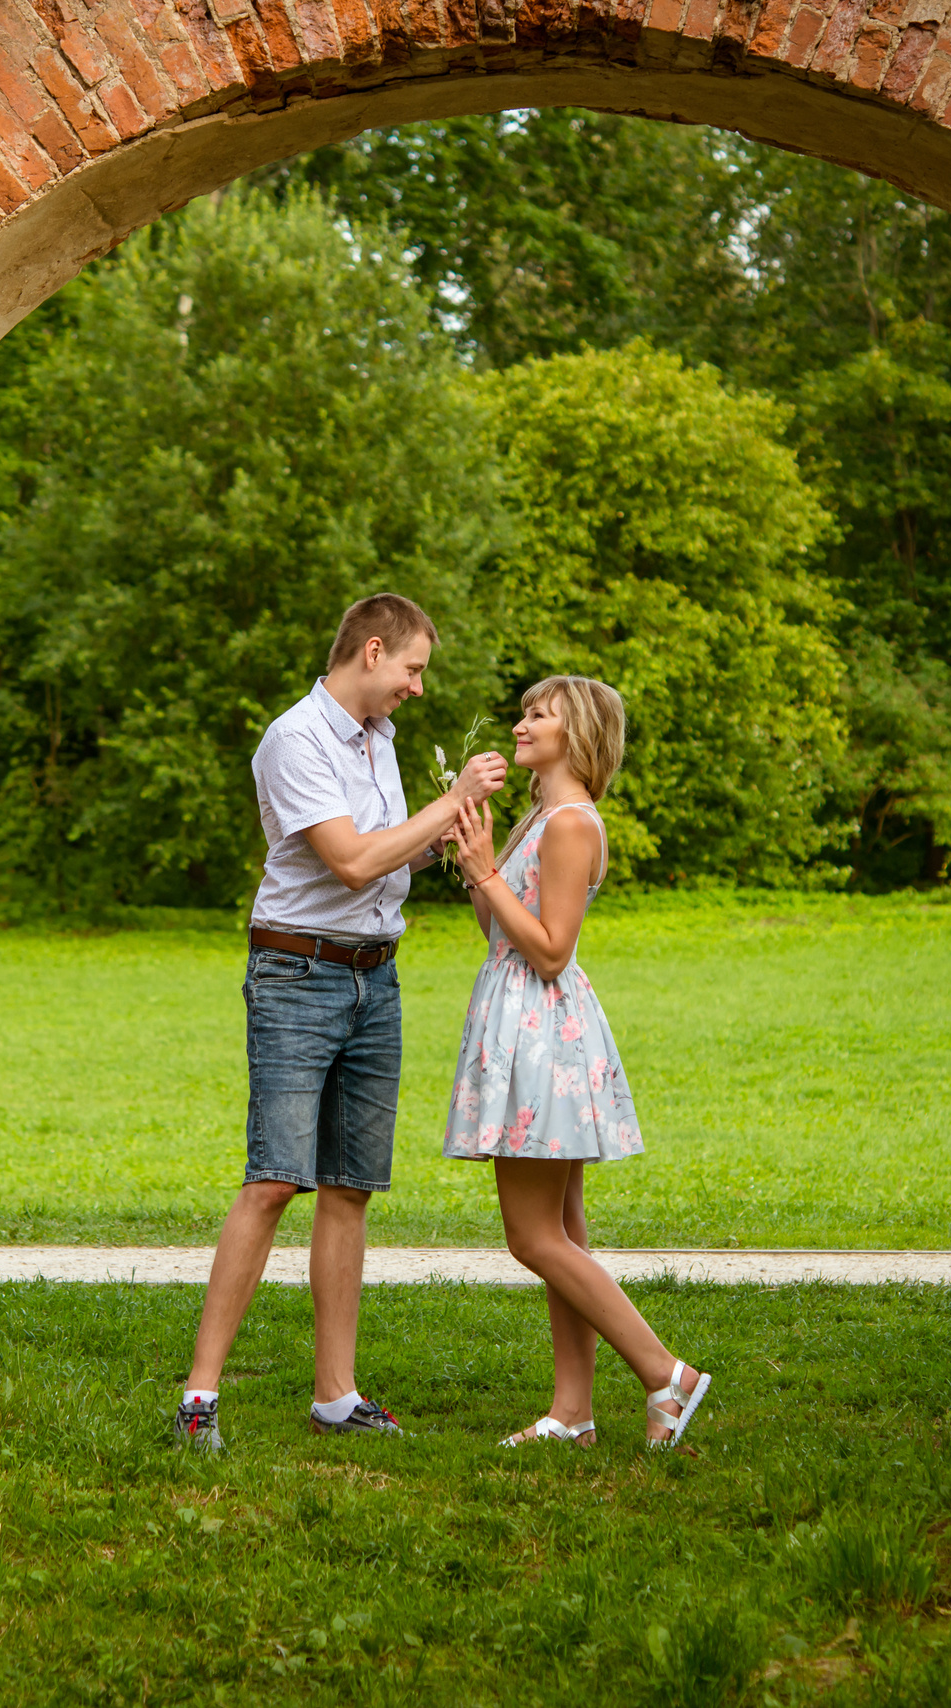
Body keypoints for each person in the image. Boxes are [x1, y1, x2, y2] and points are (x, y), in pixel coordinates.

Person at [175, 593, 508, 1450]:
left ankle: (336, 1397)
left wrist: (457, 837)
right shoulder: (296, 738)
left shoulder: (380, 741)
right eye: (412, 668)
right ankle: (200, 1399)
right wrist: (453, 799)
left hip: (374, 978)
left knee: (351, 1188)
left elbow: (389, 848)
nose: (417, 688)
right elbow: (354, 860)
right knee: (276, 1177)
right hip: (297, 974)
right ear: (370, 650)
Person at [442, 675, 711, 1450]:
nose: (520, 724)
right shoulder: (542, 817)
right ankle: (572, 1413)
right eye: (523, 712)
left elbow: (553, 951)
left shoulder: (569, 824)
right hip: (525, 1023)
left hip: (541, 1032)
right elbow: (501, 931)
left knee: (533, 1238)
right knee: (561, 1234)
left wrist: (491, 871)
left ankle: (668, 1376)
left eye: (538, 715)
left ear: (579, 733)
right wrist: (477, 861)